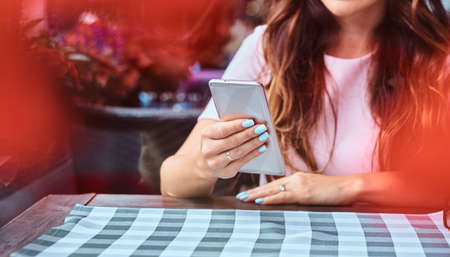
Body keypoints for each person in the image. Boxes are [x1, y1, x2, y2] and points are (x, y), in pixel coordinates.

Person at [160, 0, 450, 207]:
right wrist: (207, 164)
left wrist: (343, 188)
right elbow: (172, 181)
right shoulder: (268, 46)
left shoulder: (438, 54)